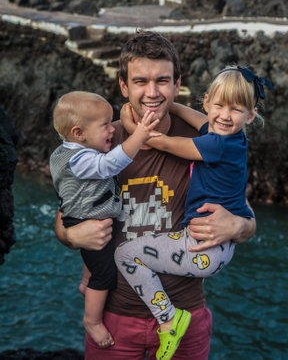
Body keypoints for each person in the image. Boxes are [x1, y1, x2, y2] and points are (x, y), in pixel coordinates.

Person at [54, 31, 257, 360]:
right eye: (140, 81)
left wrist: (236, 227)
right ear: (124, 86)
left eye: (162, 81)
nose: (151, 92)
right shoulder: (103, 144)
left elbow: (246, 218)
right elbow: (64, 218)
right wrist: (71, 233)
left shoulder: (206, 141)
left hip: (186, 314)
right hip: (114, 319)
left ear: (177, 85)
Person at [115, 64, 272, 360]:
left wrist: (129, 118)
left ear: (251, 116)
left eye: (236, 109)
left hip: (203, 247)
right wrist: (171, 104)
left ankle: (168, 319)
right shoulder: (231, 137)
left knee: (125, 254)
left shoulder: (216, 144)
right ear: (206, 103)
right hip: (218, 248)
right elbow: (201, 120)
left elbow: (158, 141)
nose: (225, 115)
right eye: (219, 105)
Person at [50, 91, 160, 348]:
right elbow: (110, 165)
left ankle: (86, 283)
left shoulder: (63, 153)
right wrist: (139, 136)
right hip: (86, 222)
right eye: (105, 126)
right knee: (106, 273)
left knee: (94, 262)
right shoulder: (82, 159)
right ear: (79, 134)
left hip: (79, 217)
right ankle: (92, 320)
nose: (112, 129)